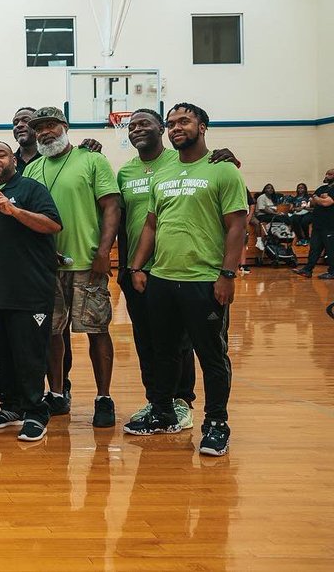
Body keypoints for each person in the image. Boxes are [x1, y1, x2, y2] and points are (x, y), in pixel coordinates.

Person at [127, 102, 248, 458]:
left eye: (185, 121)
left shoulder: (223, 171)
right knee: (164, 352)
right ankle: (163, 411)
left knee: (211, 355)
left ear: (203, 126)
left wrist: (228, 274)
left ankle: (216, 423)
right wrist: (137, 267)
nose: (176, 127)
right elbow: (150, 224)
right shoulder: (162, 176)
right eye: (172, 123)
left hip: (204, 280)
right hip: (162, 279)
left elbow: (237, 225)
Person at [24, 106, 121, 427]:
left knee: (96, 330)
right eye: (39, 128)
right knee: (52, 332)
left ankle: (104, 397)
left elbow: (111, 206)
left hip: (87, 264)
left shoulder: (92, 160)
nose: (44, 132)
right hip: (47, 269)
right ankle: (56, 393)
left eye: (50, 125)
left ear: (64, 126)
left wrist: (105, 250)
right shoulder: (33, 169)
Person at [0, 141, 62, 443]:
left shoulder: (31, 189)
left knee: (29, 355)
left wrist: (14, 211)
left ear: (13, 160)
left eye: (0, 155)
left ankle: (36, 412)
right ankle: (11, 407)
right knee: (5, 356)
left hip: (29, 292)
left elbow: (52, 225)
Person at [116, 110, 199, 430]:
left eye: (144, 124)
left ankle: (181, 400)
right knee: (146, 340)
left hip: (173, 268)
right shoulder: (125, 172)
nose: (137, 129)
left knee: (178, 341)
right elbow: (124, 224)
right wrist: (127, 268)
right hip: (137, 271)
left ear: (161, 129)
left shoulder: (179, 162)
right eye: (132, 126)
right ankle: (156, 400)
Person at [293, 169, 334, 279]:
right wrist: (319, 198)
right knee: (314, 248)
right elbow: (311, 202)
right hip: (317, 224)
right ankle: (307, 270)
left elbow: (326, 203)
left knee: (331, 249)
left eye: (330, 174)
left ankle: (332, 272)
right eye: (326, 173)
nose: (326, 176)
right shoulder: (322, 188)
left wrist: (317, 198)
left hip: (329, 225)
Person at [11, 107, 40, 174]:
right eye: (15, 123)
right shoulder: (9, 161)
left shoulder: (50, 157)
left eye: (26, 120)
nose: (19, 125)